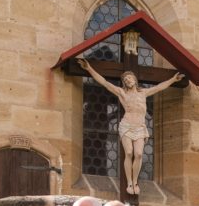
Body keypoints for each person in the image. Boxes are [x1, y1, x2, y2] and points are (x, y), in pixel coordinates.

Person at [77, 57, 183, 195]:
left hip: (140, 127)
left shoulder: (143, 92)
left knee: (138, 154)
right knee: (128, 152)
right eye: (126, 80)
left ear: (135, 80)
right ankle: (129, 183)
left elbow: (159, 87)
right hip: (126, 125)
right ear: (124, 83)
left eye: (130, 78)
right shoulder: (122, 92)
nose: (128, 80)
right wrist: (89, 68)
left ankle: (135, 181)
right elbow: (104, 82)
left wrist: (173, 80)